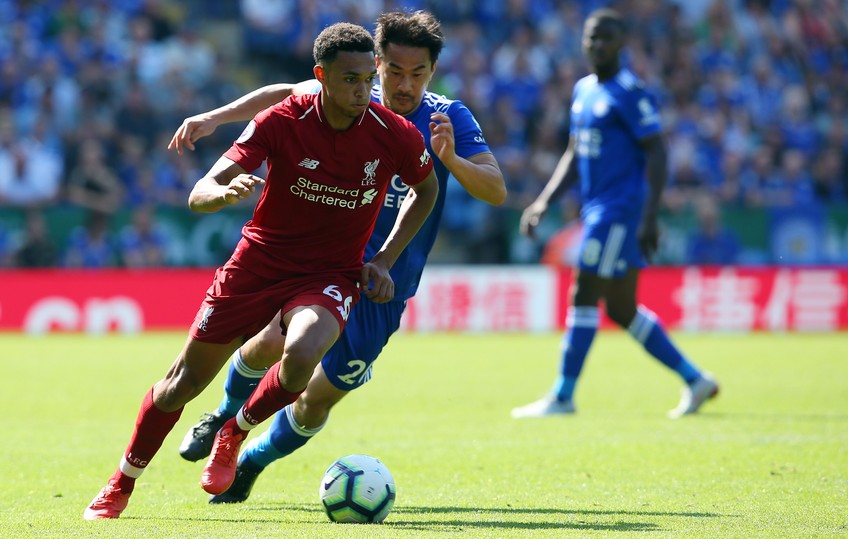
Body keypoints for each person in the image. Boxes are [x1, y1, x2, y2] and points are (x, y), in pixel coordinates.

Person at [84, 22, 439, 520]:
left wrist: (382, 259)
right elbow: (201, 189)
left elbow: (427, 191)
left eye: (366, 79)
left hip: (330, 274)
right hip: (258, 263)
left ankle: (235, 429)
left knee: (303, 352)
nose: (363, 92)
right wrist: (220, 195)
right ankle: (121, 483)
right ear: (321, 77)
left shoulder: (392, 132)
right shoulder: (282, 119)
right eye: (349, 81)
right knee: (181, 385)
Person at [165, 10, 505, 503]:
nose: (405, 85)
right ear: (377, 64)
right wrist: (214, 118)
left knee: (316, 401)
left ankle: (251, 463)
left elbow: (495, 189)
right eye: (394, 71)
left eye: (419, 73)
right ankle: (222, 420)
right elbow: (283, 92)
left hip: (386, 286)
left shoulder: (447, 118)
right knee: (268, 348)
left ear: (433, 71)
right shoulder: (345, 95)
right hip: (322, 268)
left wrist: (449, 160)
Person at [511, 9, 719, 420]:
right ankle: (696, 380)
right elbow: (575, 152)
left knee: (583, 292)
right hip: (599, 211)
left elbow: (657, 150)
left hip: (619, 212)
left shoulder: (630, 92)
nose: (597, 45)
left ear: (622, 43)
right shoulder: (584, 91)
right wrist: (544, 201)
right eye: (592, 38)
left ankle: (563, 395)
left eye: (606, 38)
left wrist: (650, 216)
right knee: (622, 309)